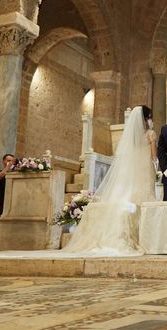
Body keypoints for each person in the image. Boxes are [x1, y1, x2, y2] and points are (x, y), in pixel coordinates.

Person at [61, 105, 157, 255]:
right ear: (146, 119)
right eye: (150, 117)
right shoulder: (151, 134)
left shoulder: (132, 136)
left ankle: (130, 234)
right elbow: (153, 156)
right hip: (145, 168)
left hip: (134, 170)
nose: (151, 120)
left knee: (134, 199)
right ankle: (145, 236)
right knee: (146, 198)